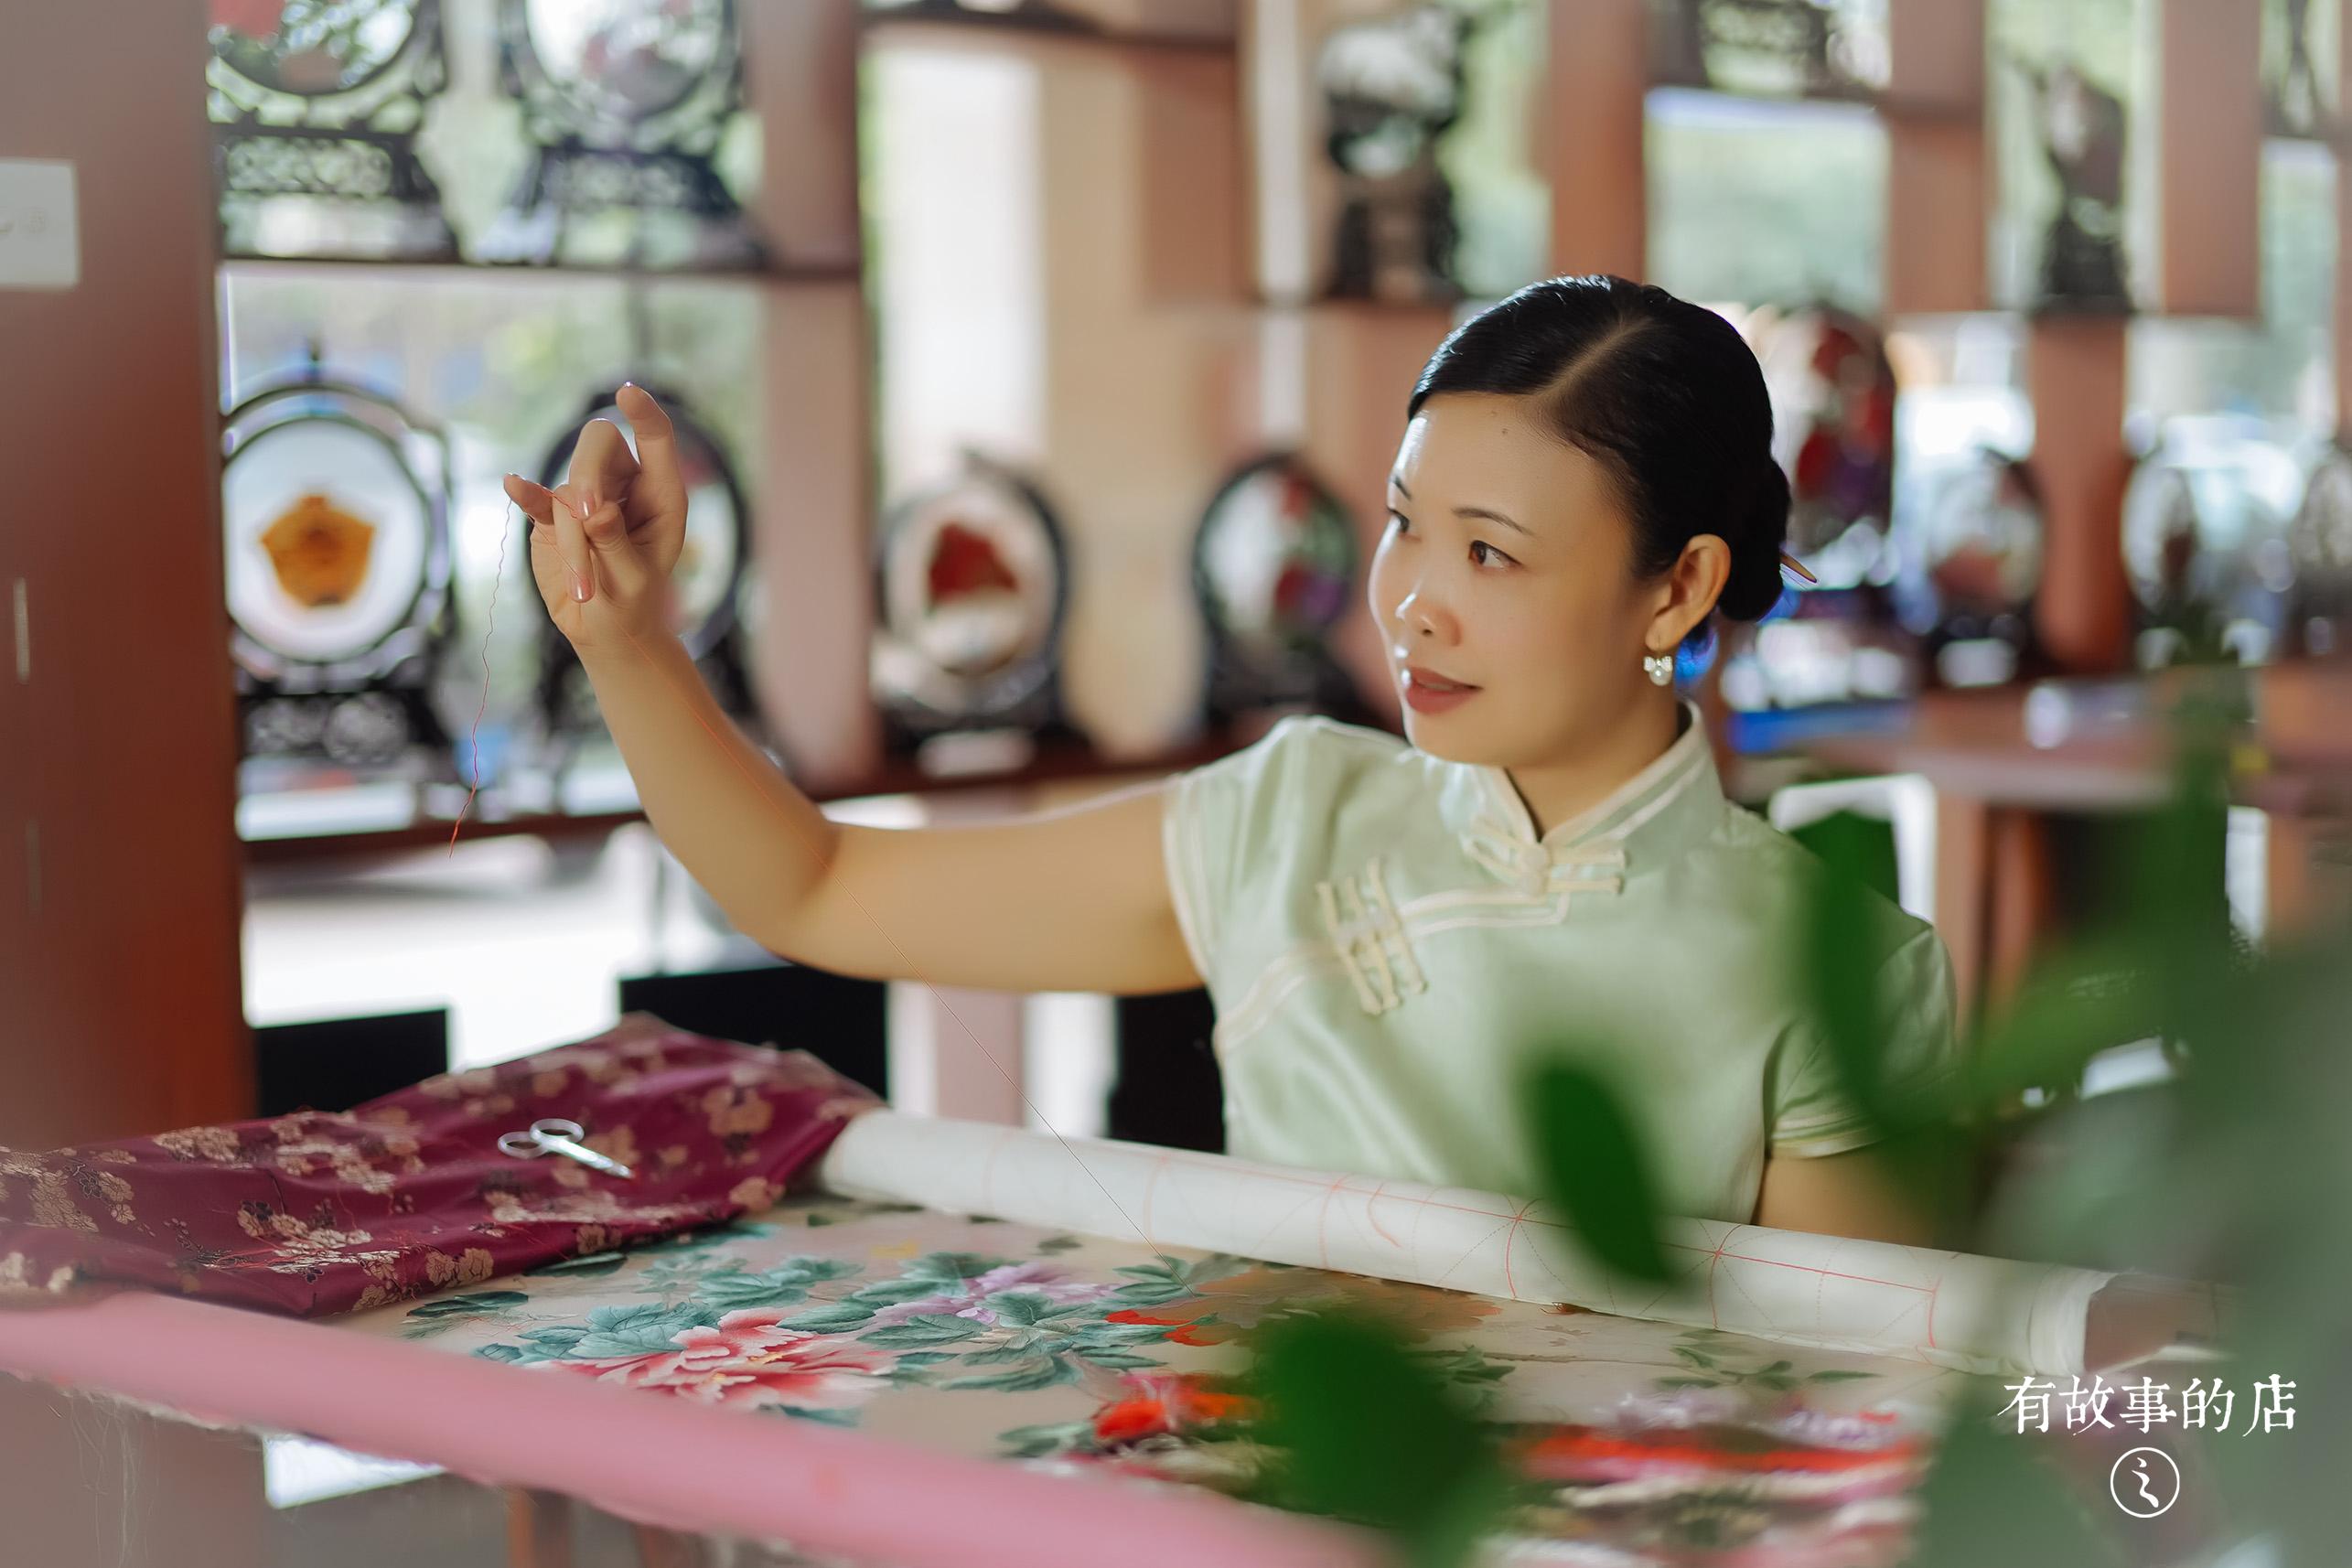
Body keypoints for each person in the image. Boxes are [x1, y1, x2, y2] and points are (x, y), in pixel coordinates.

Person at [504, 274, 1956, 1249]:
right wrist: (631, 646)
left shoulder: (1833, 964)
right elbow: (814, 886)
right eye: (1403, 523)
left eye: (1489, 552)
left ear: (1680, 587)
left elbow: (1827, 1405)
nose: (1408, 599)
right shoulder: (1293, 818)